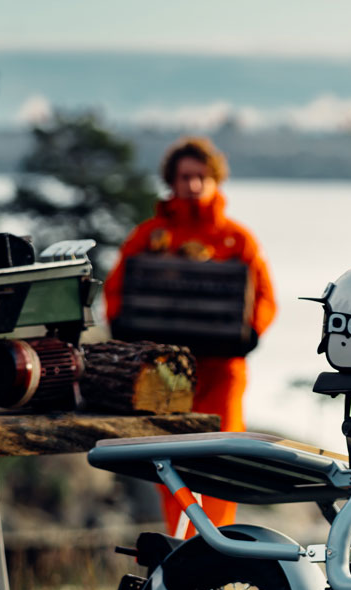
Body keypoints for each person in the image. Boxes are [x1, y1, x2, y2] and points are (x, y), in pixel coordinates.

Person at [102, 136, 274, 533]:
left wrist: (253, 331)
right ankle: (181, 547)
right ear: (172, 182)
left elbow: (265, 296)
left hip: (222, 373)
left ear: (215, 180)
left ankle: (216, 549)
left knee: (224, 460)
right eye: (185, 177)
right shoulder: (149, 236)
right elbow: (116, 288)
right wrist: (120, 323)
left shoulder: (237, 239)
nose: (193, 185)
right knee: (168, 458)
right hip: (166, 372)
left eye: (201, 177)